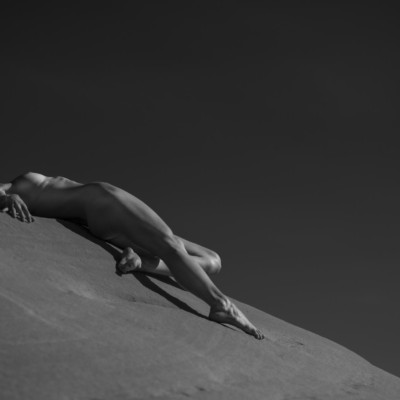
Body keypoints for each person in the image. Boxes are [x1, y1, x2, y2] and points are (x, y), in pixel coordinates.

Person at [0, 172, 264, 339]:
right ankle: (221, 304)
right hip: (103, 201)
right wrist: (6, 198)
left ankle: (144, 263)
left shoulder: (20, 188)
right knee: (171, 246)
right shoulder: (14, 187)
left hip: (104, 222)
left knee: (212, 260)